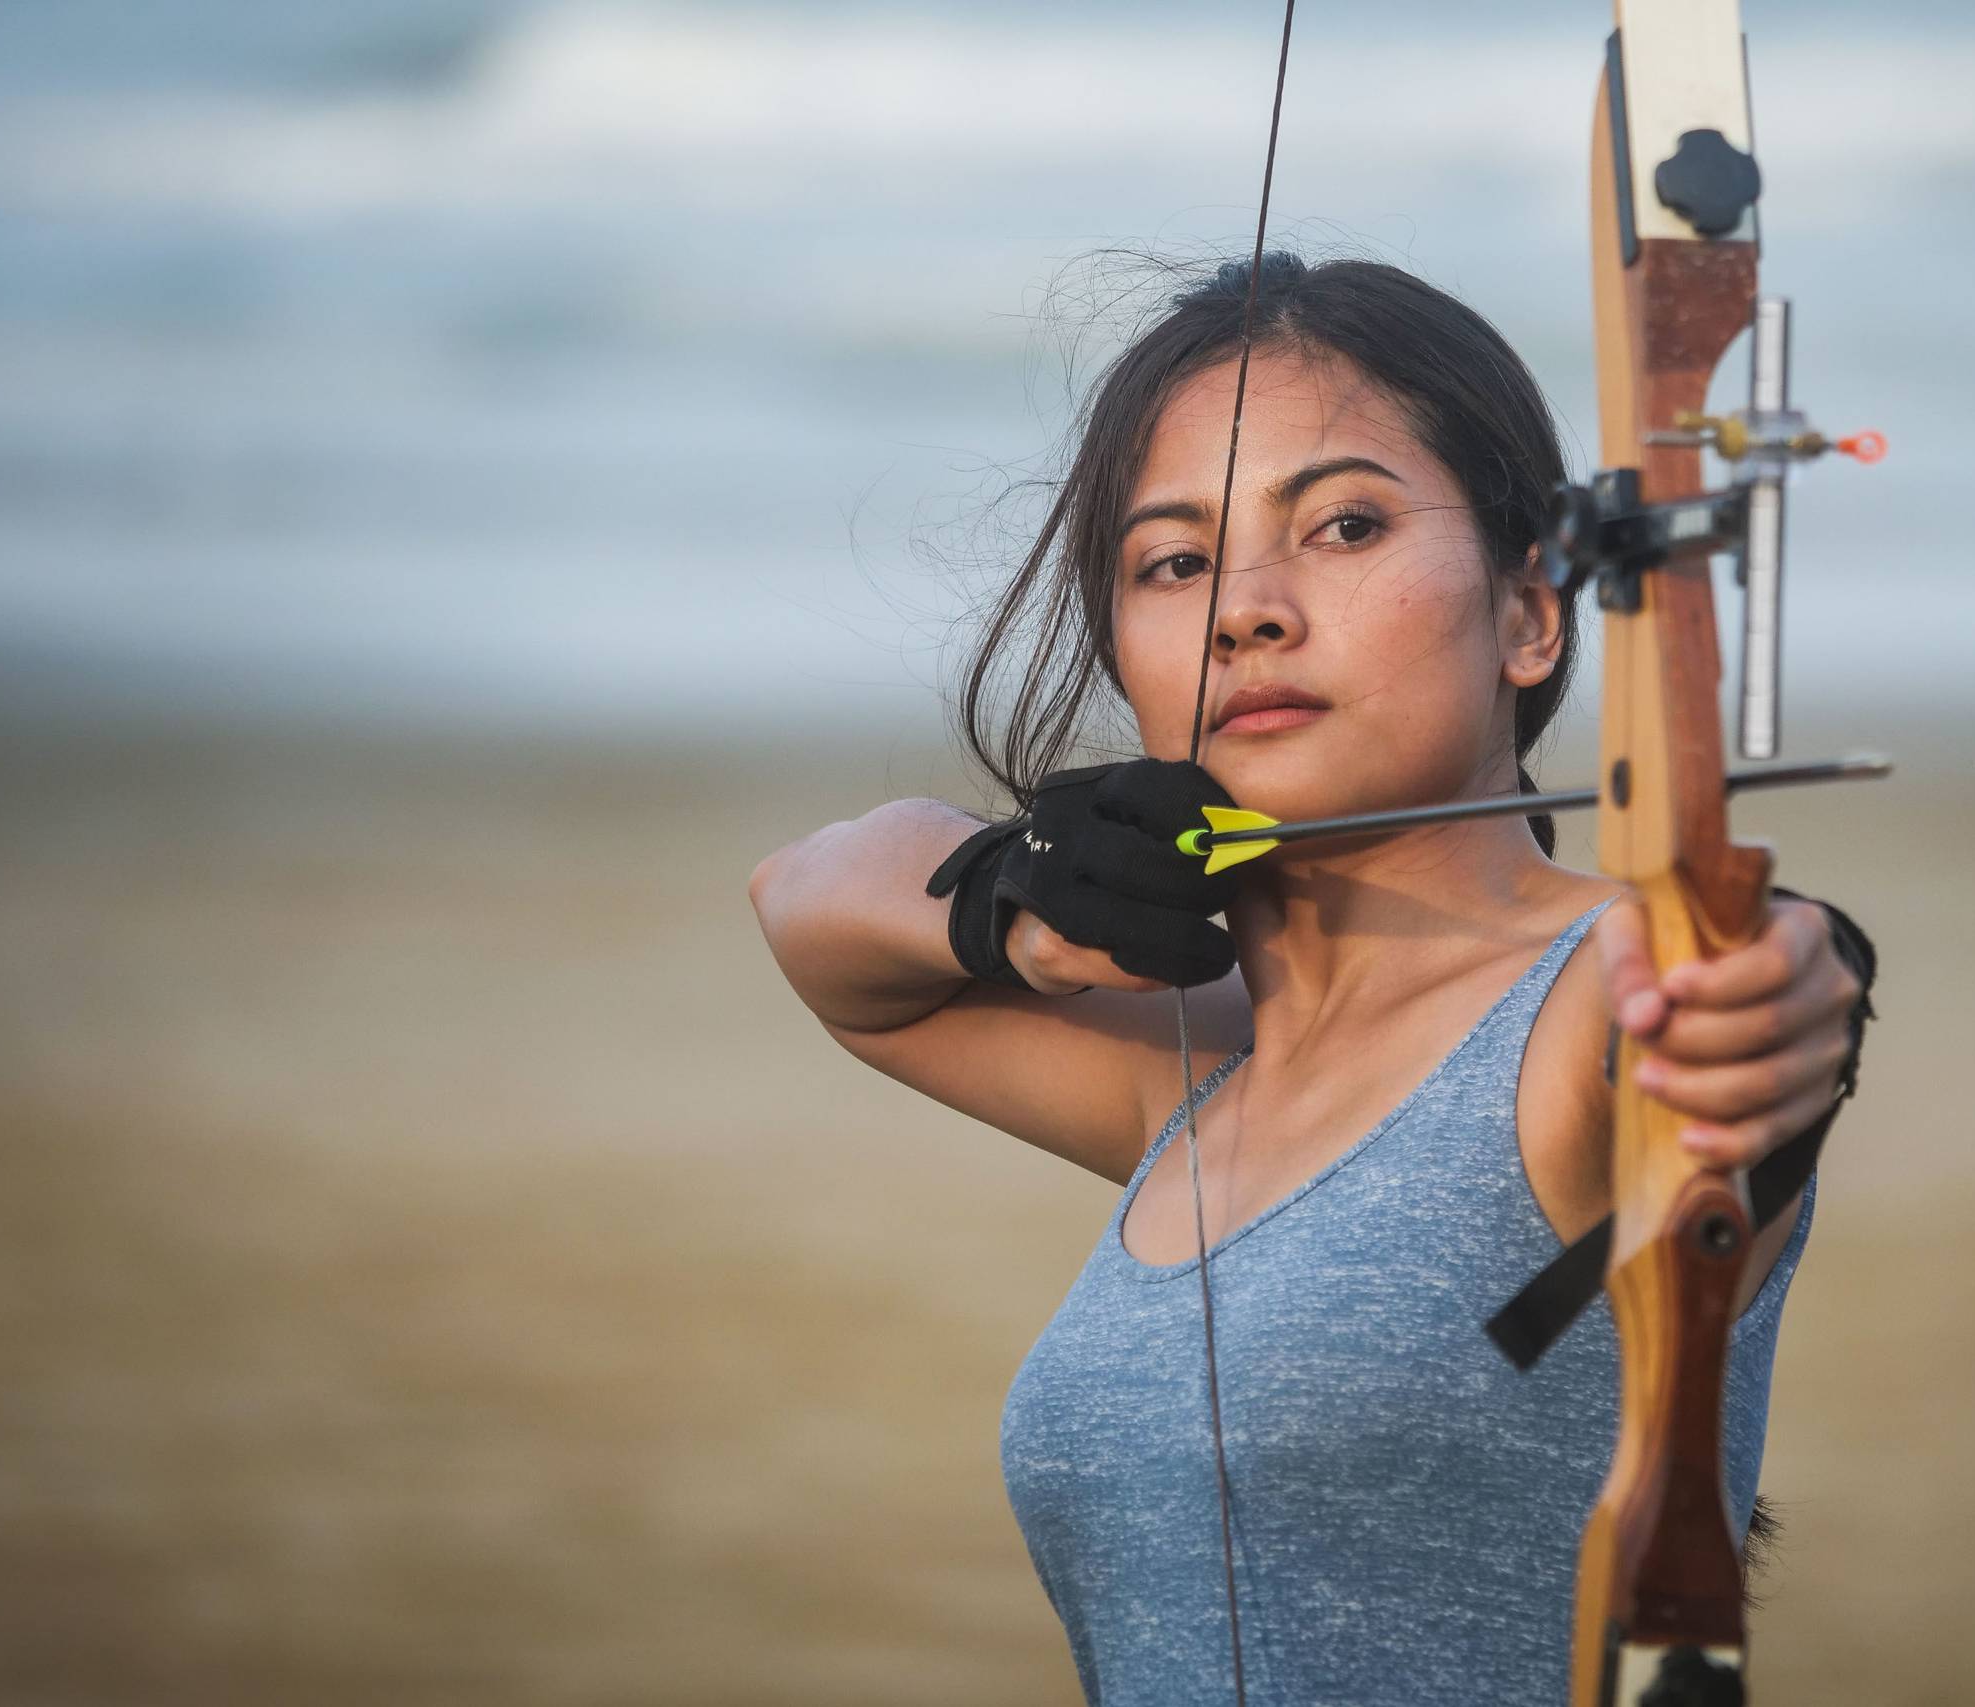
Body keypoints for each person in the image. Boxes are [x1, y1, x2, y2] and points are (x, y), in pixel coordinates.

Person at [749, 254, 1873, 1706]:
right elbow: (807, 904)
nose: (1246, 611)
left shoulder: (1581, 1016)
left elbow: (1724, 984)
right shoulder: (1202, 1080)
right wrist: (1015, 906)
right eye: (1175, 563)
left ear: (1532, 610)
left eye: (1346, 525)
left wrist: (1778, 979)